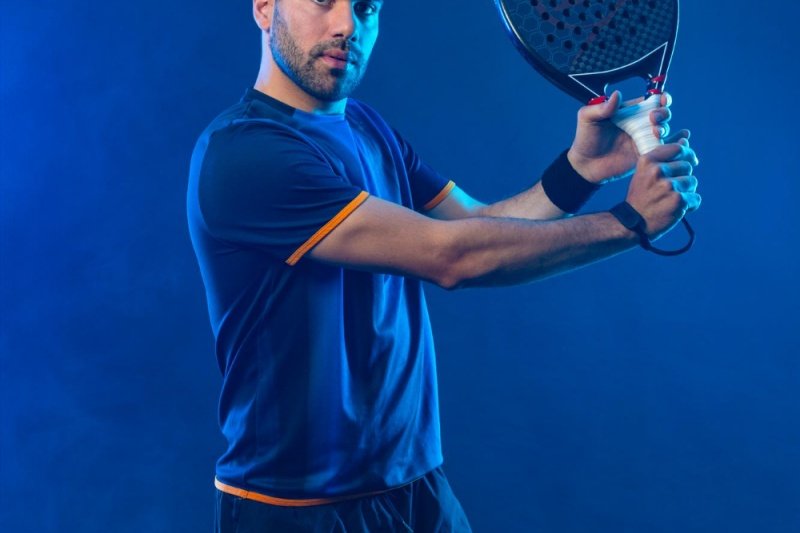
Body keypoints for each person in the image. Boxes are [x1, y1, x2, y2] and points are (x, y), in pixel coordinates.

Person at [186, 0, 701, 531]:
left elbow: (477, 223)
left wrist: (581, 170)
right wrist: (630, 222)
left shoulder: (365, 127)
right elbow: (451, 256)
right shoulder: (245, 154)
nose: (346, 26)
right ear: (264, 8)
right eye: (323, 1)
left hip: (415, 487)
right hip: (297, 509)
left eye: (365, 8)